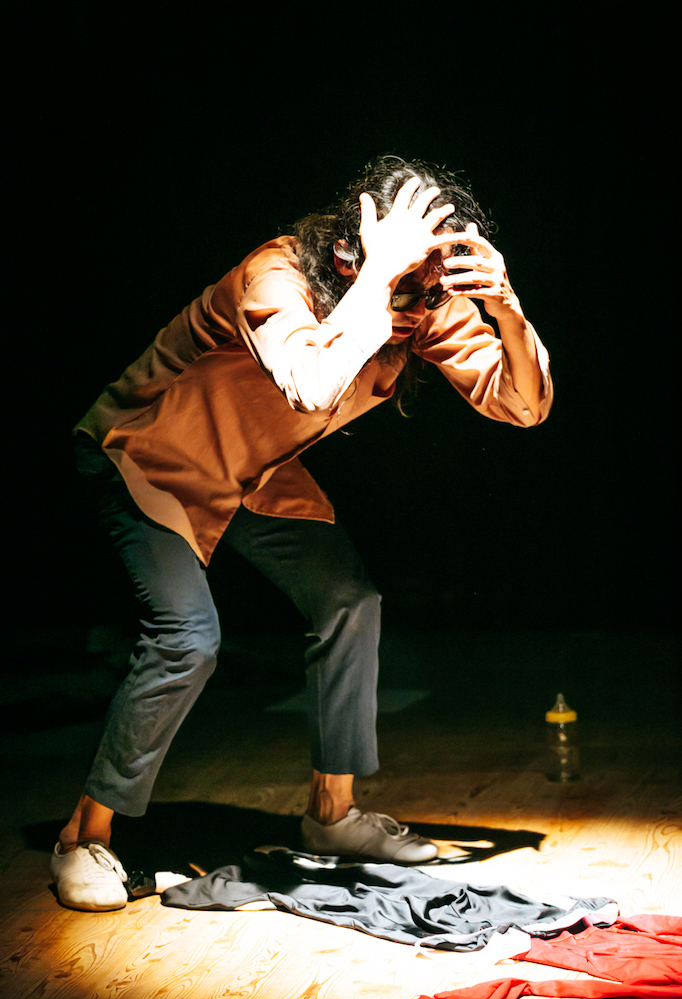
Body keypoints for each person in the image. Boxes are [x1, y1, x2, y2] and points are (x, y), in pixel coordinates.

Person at [51, 156, 553, 911]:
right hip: (146, 456)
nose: (423, 307)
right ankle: (82, 836)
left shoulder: (421, 301)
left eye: (432, 286)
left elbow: (522, 405)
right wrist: (379, 279)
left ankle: (331, 816)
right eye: (409, 280)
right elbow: (310, 384)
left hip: (251, 470)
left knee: (348, 600)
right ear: (352, 253)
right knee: (187, 638)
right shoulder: (274, 276)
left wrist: (506, 307)